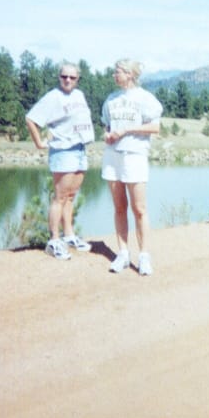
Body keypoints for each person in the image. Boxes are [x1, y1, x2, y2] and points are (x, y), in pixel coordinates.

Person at [25, 62, 96, 260]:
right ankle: (54, 241)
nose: (68, 80)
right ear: (59, 77)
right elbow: (31, 119)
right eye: (64, 76)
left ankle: (69, 235)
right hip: (63, 151)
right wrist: (39, 142)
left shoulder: (79, 95)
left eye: (72, 77)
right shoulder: (52, 97)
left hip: (80, 149)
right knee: (60, 197)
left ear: (78, 79)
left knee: (71, 196)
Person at [101, 59, 164, 276]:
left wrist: (127, 130)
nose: (114, 75)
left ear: (129, 74)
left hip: (135, 155)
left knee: (139, 208)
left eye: (117, 72)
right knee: (119, 206)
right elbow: (107, 124)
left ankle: (144, 256)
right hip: (113, 156)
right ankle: (123, 254)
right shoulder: (111, 99)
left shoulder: (145, 98)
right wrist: (108, 134)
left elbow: (155, 127)